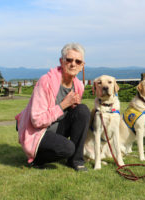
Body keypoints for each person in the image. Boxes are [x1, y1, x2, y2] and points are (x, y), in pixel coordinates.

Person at [15, 43, 90, 171]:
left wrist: (73, 107)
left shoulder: (78, 86)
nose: (73, 64)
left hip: (57, 128)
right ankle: (37, 159)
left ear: (82, 66)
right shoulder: (46, 82)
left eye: (78, 61)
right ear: (61, 61)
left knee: (83, 110)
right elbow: (37, 121)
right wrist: (63, 105)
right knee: (67, 148)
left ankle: (76, 161)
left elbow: (73, 116)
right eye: (69, 60)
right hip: (38, 132)